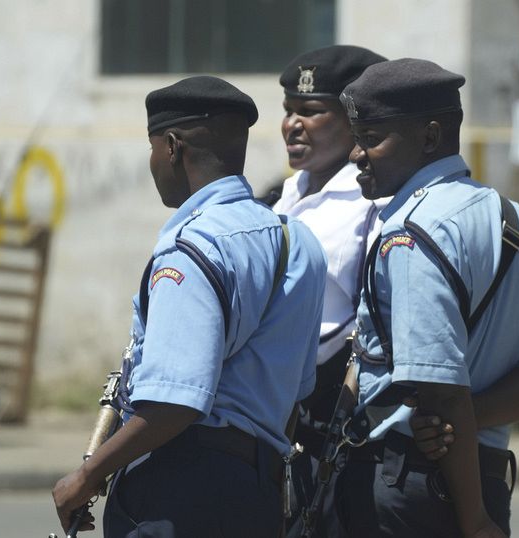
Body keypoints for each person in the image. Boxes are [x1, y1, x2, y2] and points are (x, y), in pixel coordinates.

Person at [51, 76, 327, 538]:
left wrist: (87, 476)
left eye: (153, 147)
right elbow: (297, 387)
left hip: (183, 489)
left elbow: (174, 401)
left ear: (173, 147)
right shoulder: (295, 241)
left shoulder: (191, 249)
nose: (154, 162)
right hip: (256, 490)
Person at [333, 59, 519, 537]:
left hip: (417, 481)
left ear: (429, 136)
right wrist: (475, 418)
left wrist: (475, 520)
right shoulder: (517, 223)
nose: (356, 154)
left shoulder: (411, 234)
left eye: (372, 137)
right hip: (480, 473)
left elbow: (442, 392)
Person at [271, 44, 387, 537]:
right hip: (278, 413)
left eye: (312, 111)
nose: (293, 125)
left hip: (336, 414)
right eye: (288, 111)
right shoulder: (283, 194)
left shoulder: (371, 203)